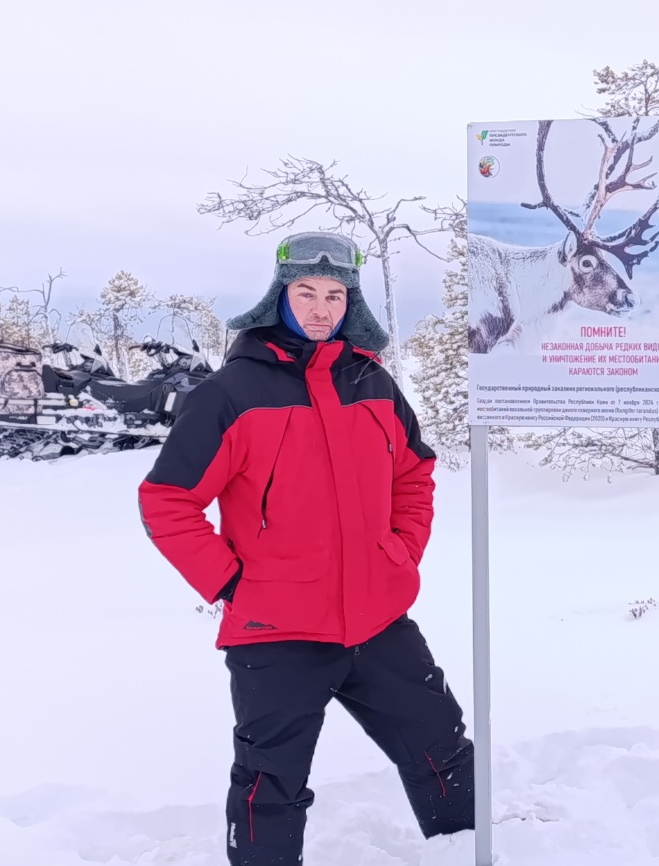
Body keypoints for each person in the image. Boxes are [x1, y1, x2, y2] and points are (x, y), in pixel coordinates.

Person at [137, 232, 474, 865]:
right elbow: (166, 500)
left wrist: (401, 552)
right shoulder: (231, 393)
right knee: (270, 786)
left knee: (441, 746)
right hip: (276, 632)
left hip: (378, 619)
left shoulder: (374, 383)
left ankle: (466, 850)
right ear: (279, 297)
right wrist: (234, 584)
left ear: (351, 303)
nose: (321, 309)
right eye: (306, 293)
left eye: (335, 296)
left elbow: (414, 474)